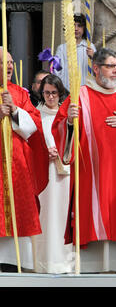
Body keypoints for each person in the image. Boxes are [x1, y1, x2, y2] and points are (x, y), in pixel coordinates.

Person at [52, 48, 116, 274]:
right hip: (92, 176)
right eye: (111, 67)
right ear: (96, 69)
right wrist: (69, 122)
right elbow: (59, 127)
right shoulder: (80, 97)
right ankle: (90, 270)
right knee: (92, 219)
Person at [0, 48, 48, 272]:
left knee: (19, 209)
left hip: (17, 164)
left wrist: (15, 111)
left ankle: (17, 261)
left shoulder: (20, 93)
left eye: (10, 62)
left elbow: (34, 127)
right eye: (3, 63)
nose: (9, 67)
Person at [32, 74, 73, 274]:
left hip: (63, 173)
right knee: (45, 216)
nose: (50, 97)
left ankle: (65, 262)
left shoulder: (67, 117)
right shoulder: (35, 115)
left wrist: (64, 150)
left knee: (63, 215)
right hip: (44, 172)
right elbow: (29, 144)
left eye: (54, 93)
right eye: (47, 93)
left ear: (60, 93)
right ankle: (44, 260)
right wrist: (43, 152)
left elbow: (78, 144)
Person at [54, 14, 96, 92]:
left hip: (85, 89)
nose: (76, 29)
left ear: (84, 28)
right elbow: (56, 69)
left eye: (79, 26)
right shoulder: (61, 48)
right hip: (66, 89)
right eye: (73, 26)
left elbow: (98, 69)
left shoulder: (90, 46)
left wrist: (94, 57)